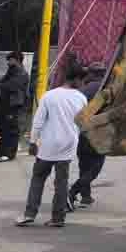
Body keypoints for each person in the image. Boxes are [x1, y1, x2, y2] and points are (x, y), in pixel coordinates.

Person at [16, 63, 88, 227]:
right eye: (82, 80)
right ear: (75, 79)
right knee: (61, 183)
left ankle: (29, 213)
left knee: (38, 178)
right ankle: (58, 218)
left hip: (48, 145)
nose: (82, 84)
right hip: (69, 144)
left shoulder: (50, 96)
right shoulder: (81, 98)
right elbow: (83, 123)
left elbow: (38, 122)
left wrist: (33, 142)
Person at [69, 62, 107, 208]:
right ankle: (73, 191)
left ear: (91, 74)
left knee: (84, 165)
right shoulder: (106, 88)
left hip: (82, 132)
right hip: (99, 131)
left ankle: (86, 196)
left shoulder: (82, 90)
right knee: (95, 167)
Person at [0, 51, 29, 162]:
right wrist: (2, 85)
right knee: (3, 129)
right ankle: (0, 153)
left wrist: (2, 85)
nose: (8, 62)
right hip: (5, 104)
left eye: (10, 60)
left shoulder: (21, 73)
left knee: (11, 130)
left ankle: (9, 154)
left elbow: (11, 86)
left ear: (17, 60)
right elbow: (0, 82)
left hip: (13, 105)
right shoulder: (11, 72)